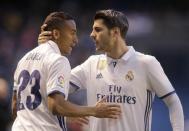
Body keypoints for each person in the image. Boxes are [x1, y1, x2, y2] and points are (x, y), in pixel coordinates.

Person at [38, 9, 184, 131]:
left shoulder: (146, 63)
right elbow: (49, 90)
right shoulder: (91, 64)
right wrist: (45, 52)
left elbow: (173, 102)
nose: (91, 34)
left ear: (115, 32)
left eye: (98, 29)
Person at [11, 11, 121, 131]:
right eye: (72, 33)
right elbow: (56, 105)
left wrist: (67, 114)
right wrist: (94, 110)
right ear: (56, 34)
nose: (76, 40)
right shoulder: (58, 60)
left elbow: (15, 107)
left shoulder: (23, 60)